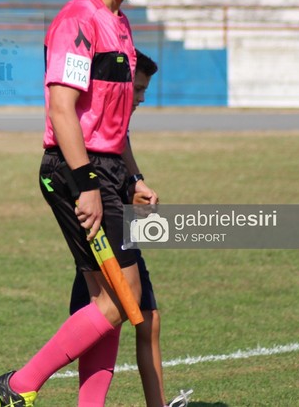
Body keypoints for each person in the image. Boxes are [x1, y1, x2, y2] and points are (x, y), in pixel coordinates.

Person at [0, 0, 156, 407]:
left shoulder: (120, 24)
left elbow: (115, 121)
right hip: (77, 170)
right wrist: (87, 184)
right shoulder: (78, 20)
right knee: (124, 297)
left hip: (105, 171)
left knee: (106, 300)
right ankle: (15, 387)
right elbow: (62, 109)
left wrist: (133, 177)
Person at [67, 52, 191, 407]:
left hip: (120, 217)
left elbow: (121, 144)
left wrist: (135, 182)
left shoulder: (116, 120)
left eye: (144, 90)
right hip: (103, 220)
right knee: (103, 318)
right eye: (137, 89)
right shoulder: (91, 120)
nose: (141, 98)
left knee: (147, 319)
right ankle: (18, 384)